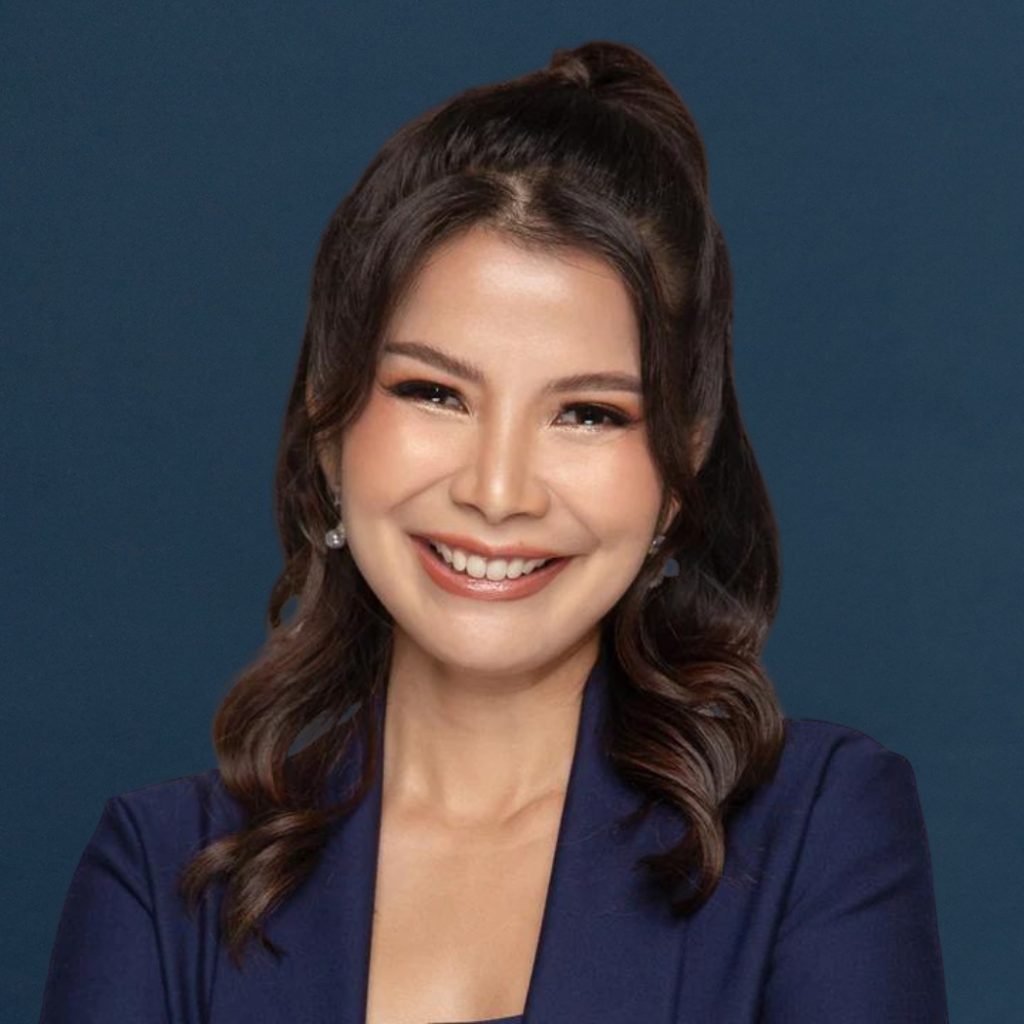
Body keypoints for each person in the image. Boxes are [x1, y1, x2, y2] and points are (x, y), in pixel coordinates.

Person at [39, 40, 949, 1023]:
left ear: (681, 467)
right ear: (329, 422)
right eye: (434, 392)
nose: (498, 489)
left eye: (588, 412)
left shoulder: (815, 834)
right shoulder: (168, 880)